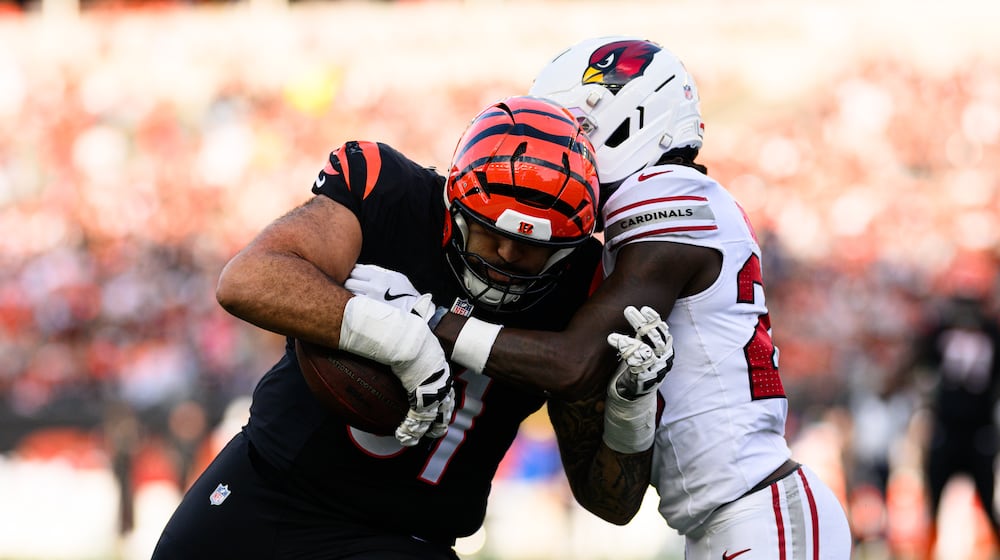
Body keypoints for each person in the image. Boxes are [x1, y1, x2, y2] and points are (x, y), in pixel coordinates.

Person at [348, 37, 853, 558]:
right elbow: (609, 499)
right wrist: (628, 408)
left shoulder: (666, 191)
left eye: (573, 127)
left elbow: (572, 362)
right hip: (723, 520)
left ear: (629, 119)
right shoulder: (641, 226)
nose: (558, 146)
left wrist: (426, 319)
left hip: (759, 512)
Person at [150, 95, 673, 560]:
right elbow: (247, 280)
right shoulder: (390, 195)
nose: (509, 255)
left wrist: (629, 409)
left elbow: (613, 504)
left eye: (534, 246)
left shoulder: (583, 287)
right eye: (490, 233)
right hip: (268, 485)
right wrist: (396, 337)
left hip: (407, 537)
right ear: (454, 204)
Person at [883, 280, 1000, 554]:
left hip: (979, 432)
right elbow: (916, 358)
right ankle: (928, 552)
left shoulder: (993, 335)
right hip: (946, 430)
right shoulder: (941, 334)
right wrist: (892, 384)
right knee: (933, 502)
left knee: (987, 501)